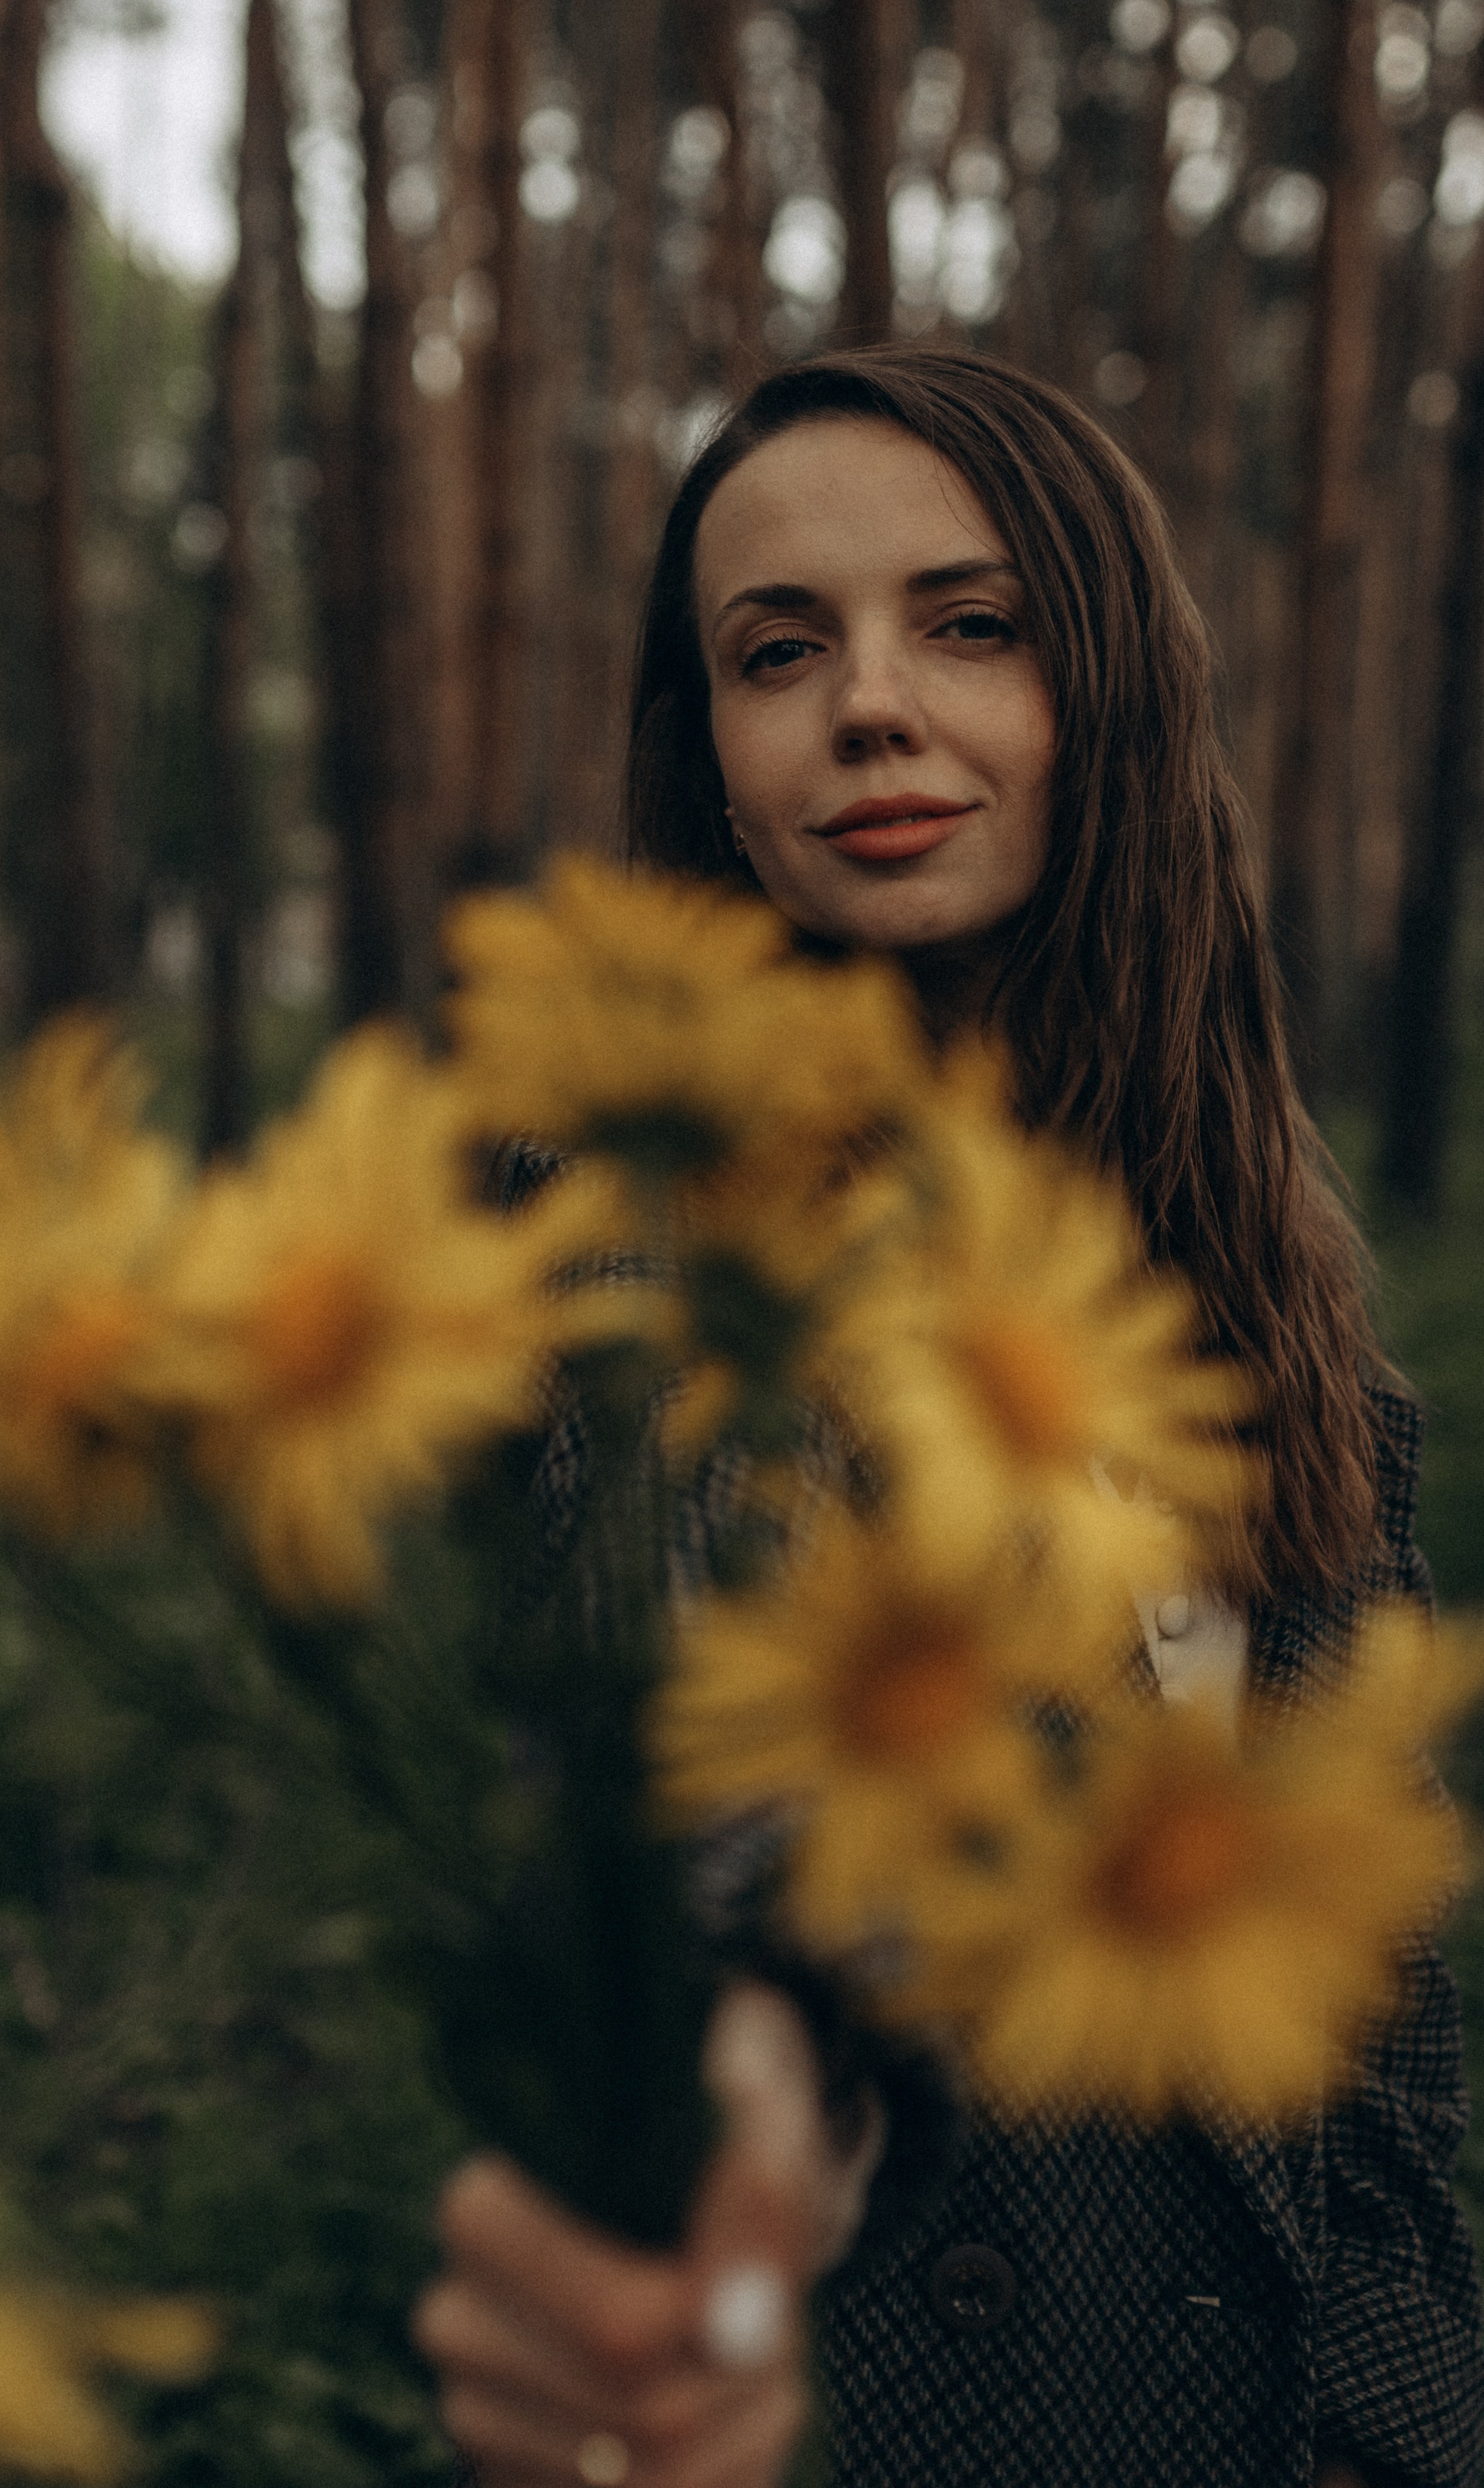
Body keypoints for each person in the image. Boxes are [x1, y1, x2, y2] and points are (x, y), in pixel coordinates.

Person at [411, 349, 1484, 2488]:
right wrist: (737, 2101)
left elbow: (1382, 2044)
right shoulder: (602, 1244)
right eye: (776, 651)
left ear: (1110, 694)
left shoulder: (1276, 1300)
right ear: (712, 755)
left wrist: (1400, 2438)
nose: (867, 706)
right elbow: (635, 1861)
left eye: (967, 624)